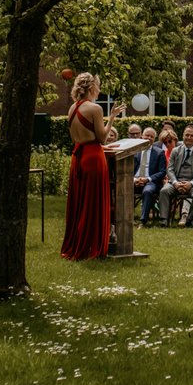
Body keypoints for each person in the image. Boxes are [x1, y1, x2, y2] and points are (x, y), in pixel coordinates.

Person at [61, 73, 121, 260]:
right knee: (93, 202)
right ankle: (90, 246)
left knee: (80, 202)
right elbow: (102, 137)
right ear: (91, 88)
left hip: (78, 157)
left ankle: (77, 242)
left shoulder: (72, 108)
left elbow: (75, 137)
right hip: (93, 157)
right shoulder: (95, 108)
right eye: (98, 86)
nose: (100, 89)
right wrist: (111, 118)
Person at [162, 124, 193, 227]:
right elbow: (170, 169)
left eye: (192, 136)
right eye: (187, 135)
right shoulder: (175, 151)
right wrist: (175, 182)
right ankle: (164, 220)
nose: (189, 138)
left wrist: (191, 183)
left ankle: (188, 219)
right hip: (176, 181)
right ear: (183, 136)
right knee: (164, 191)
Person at [137, 129, 168, 228]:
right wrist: (134, 180)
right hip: (134, 180)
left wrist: (148, 179)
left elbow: (162, 172)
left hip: (151, 182)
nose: (149, 138)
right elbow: (128, 169)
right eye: (147, 135)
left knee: (148, 191)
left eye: (151, 136)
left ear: (154, 139)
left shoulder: (159, 153)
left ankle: (143, 221)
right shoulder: (134, 151)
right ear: (142, 136)